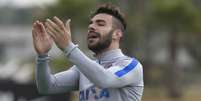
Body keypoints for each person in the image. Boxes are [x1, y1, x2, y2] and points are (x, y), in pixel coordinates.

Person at [32, 3, 144, 101]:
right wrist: (42, 56)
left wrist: (68, 47)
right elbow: (47, 87)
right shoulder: (82, 69)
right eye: (91, 24)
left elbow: (104, 79)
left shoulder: (131, 66)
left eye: (100, 24)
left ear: (117, 34)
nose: (91, 27)